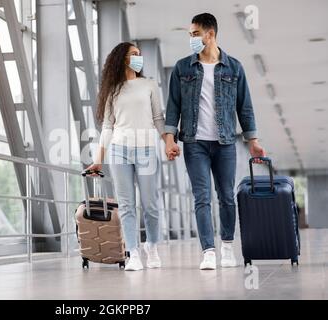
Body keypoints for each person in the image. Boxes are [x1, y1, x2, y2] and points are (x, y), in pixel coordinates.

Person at [164, 13, 266, 270]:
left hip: (225, 143)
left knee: (226, 197)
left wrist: (252, 141)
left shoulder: (234, 67)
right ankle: (208, 251)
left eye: (195, 34)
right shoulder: (182, 68)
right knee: (201, 197)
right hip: (194, 142)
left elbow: (245, 107)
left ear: (210, 34)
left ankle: (228, 246)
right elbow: (173, 107)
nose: (192, 39)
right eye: (190, 35)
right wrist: (169, 139)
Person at [86, 42, 169, 271]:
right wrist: (98, 159)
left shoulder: (149, 84)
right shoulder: (112, 90)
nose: (138, 57)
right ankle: (132, 252)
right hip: (118, 150)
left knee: (150, 204)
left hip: (146, 149)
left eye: (140, 54)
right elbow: (107, 126)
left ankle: (151, 246)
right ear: (122, 58)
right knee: (126, 205)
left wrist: (168, 142)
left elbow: (158, 118)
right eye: (134, 54)